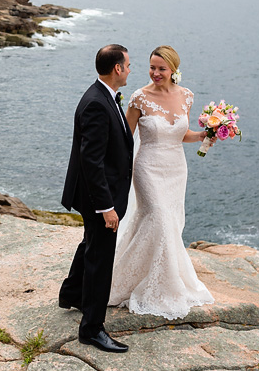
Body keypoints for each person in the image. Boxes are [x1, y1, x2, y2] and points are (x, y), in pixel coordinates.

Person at [108, 45, 214, 319]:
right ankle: (155, 287)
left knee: (169, 223)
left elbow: (181, 135)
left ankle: (159, 277)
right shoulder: (139, 98)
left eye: (161, 69)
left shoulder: (186, 96)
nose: (155, 73)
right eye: (152, 67)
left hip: (176, 168)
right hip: (147, 168)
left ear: (173, 70)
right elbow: (125, 138)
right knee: (158, 216)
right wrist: (115, 173)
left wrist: (204, 135)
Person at [58, 44, 134, 353]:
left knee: (90, 245)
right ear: (117, 68)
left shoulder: (103, 96)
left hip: (94, 194)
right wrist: (107, 208)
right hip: (97, 197)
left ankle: (72, 294)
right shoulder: (96, 103)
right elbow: (92, 162)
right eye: (128, 64)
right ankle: (91, 328)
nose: (130, 68)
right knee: (100, 259)